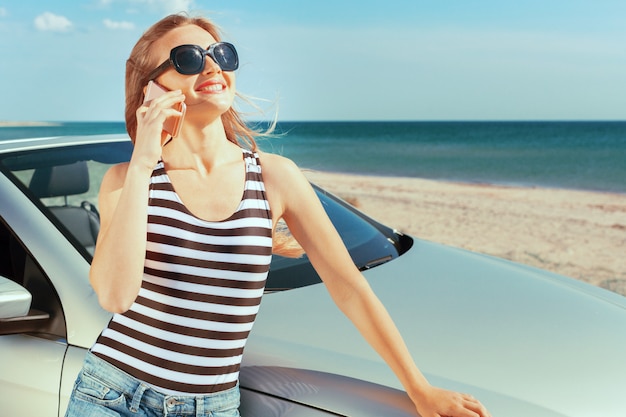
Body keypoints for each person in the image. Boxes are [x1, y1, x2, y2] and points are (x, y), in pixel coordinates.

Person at [65, 13, 491, 417]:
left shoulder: (273, 177)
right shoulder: (127, 180)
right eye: (189, 59)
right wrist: (143, 161)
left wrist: (419, 387)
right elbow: (115, 296)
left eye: (220, 54)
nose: (212, 67)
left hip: (210, 406)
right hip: (113, 394)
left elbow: (349, 288)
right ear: (153, 88)